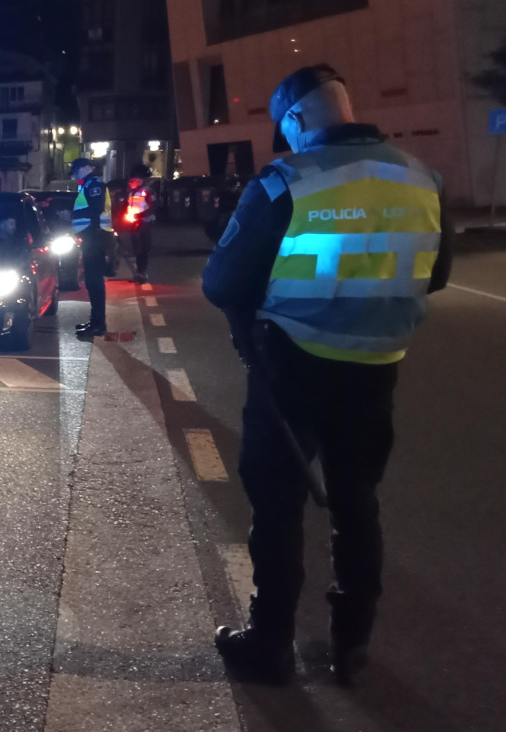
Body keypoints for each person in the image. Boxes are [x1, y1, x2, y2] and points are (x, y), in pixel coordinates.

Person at [203, 64, 453, 686]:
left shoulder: (289, 179)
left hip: (292, 365)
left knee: (279, 505)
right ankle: (352, 643)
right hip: (376, 368)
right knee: (356, 503)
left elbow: (222, 281)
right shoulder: (422, 178)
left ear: (295, 119)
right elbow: (436, 273)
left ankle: (271, 643)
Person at [71, 158, 114, 337]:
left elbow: (95, 209)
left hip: (95, 237)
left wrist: (73, 215)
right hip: (92, 237)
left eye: (76, 171)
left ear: (85, 168)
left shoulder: (94, 184)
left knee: (94, 282)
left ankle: (98, 323)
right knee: (91, 281)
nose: (75, 176)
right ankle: (95, 320)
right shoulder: (88, 184)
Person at [123, 164, 157, 284]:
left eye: (134, 180)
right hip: (134, 225)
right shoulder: (132, 193)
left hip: (144, 225)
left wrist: (140, 217)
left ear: (141, 180)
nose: (131, 183)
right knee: (136, 249)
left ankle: (142, 272)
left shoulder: (147, 192)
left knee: (143, 249)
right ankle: (139, 272)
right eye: (131, 180)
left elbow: (151, 209)